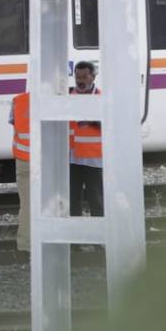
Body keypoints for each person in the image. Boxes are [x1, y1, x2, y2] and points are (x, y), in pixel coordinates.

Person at [69, 60, 104, 217]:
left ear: (93, 77)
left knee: (96, 200)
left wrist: (92, 120)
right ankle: (75, 240)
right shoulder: (68, 96)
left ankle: (99, 238)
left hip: (93, 159)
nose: (80, 81)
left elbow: (112, 126)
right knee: (72, 200)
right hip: (72, 159)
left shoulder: (100, 97)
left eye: (84, 76)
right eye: (77, 77)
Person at [9, 89, 31, 251]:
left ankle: (25, 245)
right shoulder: (52, 101)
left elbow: (13, 122)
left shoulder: (17, 100)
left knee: (26, 205)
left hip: (24, 159)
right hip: (46, 160)